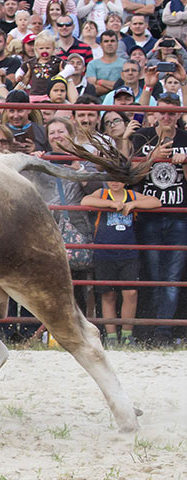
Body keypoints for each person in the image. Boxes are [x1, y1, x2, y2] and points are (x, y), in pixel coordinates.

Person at [126, 93, 187, 346]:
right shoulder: (143, 137)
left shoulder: (185, 138)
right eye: (162, 112)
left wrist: (184, 165)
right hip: (149, 215)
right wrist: (153, 157)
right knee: (151, 275)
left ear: (179, 114)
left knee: (172, 277)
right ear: (155, 112)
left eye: (172, 113)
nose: (166, 117)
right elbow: (130, 178)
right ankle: (149, 330)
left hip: (179, 215)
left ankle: (163, 332)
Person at [81, 181, 160, 346]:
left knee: (130, 293)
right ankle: (111, 337)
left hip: (128, 252)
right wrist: (111, 204)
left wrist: (133, 204)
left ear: (125, 180)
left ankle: (126, 335)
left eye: (118, 178)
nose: (114, 182)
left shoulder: (131, 195)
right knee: (108, 294)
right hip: (104, 251)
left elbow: (156, 201)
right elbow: (85, 201)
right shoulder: (102, 193)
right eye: (111, 178)